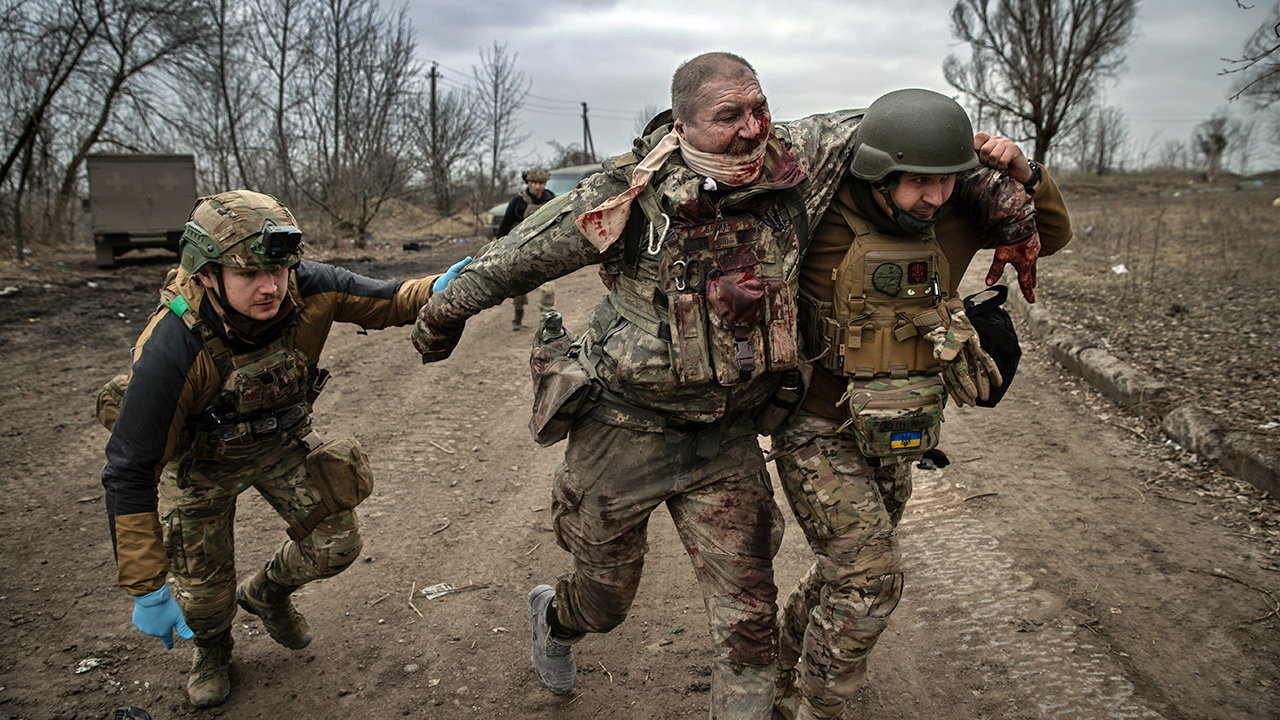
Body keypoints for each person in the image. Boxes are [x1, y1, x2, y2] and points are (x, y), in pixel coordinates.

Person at [413, 54, 1034, 718]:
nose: (751, 128)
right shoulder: (628, 197)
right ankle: (557, 618)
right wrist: (440, 315)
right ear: (681, 126)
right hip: (625, 433)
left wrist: (1008, 197)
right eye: (728, 115)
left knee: (750, 629)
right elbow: (517, 256)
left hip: (726, 442)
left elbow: (908, 137)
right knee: (605, 600)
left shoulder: (800, 158)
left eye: (759, 108)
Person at [768, 89, 1073, 720]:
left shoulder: (954, 215)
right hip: (815, 427)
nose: (934, 197)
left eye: (947, 180)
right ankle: (813, 707)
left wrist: (1027, 172)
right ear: (878, 174)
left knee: (845, 574)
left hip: (898, 430)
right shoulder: (815, 213)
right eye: (918, 182)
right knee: (871, 579)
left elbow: (1052, 235)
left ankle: (781, 654)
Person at [98, 190, 458, 708]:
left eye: (279, 270)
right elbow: (130, 469)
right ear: (207, 274)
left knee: (337, 545)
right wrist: (146, 586)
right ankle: (213, 649)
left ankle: (265, 593)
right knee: (204, 600)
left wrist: (440, 288)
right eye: (249, 274)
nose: (270, 287)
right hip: (201, 467)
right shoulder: (173, 346)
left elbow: (390, 298)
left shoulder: (306, 285)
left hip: (278, 444)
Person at [497, 167, 557, 330]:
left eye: (541, 183)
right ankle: (518, 317)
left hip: (545, 251)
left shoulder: (552, 200)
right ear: (528, 183)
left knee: (548, 290)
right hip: (520, 251)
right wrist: (501, 250)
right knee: (519, 290)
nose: (537, 186)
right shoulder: (518, 203)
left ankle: (548, 326)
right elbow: (504, 228)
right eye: (534, 182)